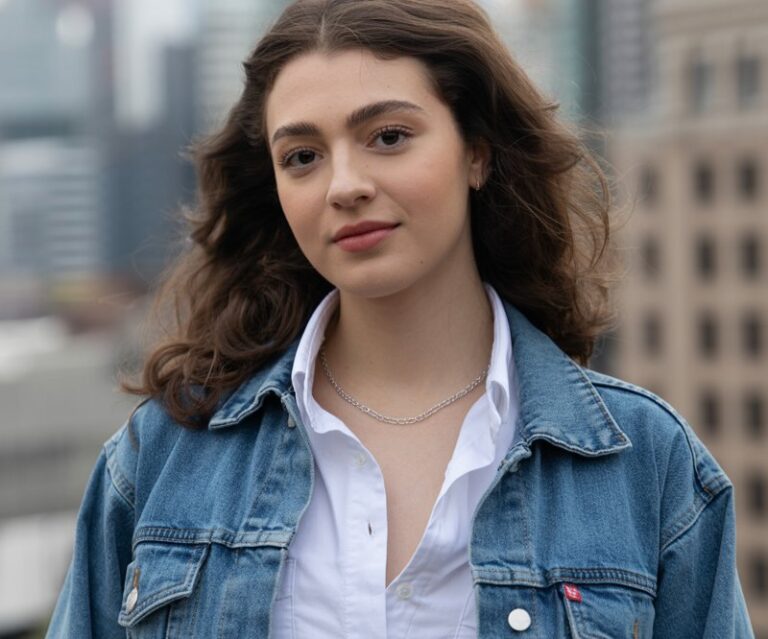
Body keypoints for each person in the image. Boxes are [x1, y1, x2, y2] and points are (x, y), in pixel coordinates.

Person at [46, 0, 755, 637]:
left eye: (387, 136)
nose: (345, 185)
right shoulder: (163, 457)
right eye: (302, 156)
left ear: (476, 151)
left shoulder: (651, 469)